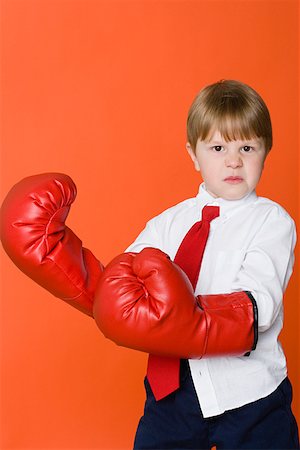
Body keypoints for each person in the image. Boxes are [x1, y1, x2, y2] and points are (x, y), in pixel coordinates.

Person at [0, 80, 299, 449]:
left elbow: (259, 307)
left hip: (249, 394)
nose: (233, 160)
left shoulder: (272, 221)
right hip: (171, 392)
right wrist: (65, 264)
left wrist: (181, 321)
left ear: (266, 150)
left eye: (247, 147)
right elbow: (122, 291)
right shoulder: (168, 223)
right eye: (218, 147)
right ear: (193, 154)